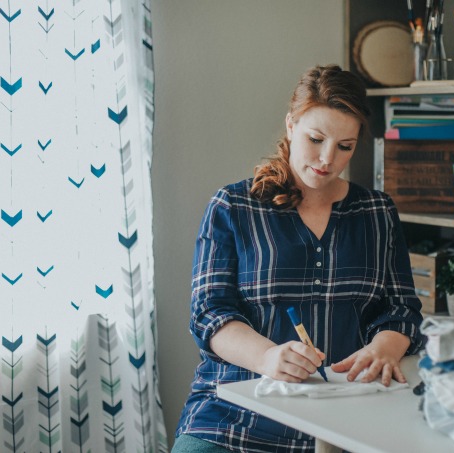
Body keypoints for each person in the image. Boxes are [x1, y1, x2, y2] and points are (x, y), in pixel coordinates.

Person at [172, 64, 424, 453]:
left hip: (348, 416)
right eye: (316, 139)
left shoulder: (377, 212)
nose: (327, 159)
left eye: (345, 147)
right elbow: (210, 314)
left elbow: (402, 309)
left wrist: (384, 348)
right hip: (235, 415)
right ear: (291, 126)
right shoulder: (233, 206)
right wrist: (268, 356)